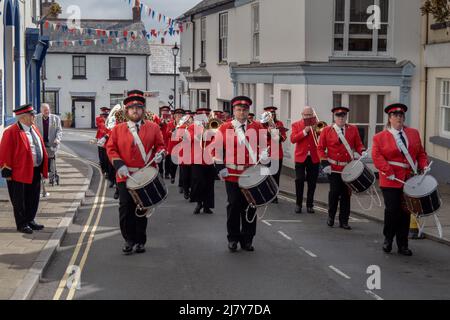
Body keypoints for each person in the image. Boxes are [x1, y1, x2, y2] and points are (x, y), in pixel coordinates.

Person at [106, 92, 166, 255]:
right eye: (131, 108)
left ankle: (140, 241)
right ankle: (128, 239)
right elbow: (110, 149)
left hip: (145, 175)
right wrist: (119, 164)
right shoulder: (118, 129)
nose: (135, 111)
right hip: (124, 175)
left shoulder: (153, 127)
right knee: (125, 208)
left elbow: (160, 145)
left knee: (142, 208)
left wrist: (161, 153)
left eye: (138, 108)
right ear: (127, 111)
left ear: (143, 110)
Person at [372, 103, 428, 256]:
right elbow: (376, 157)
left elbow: (421, 153)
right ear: (389, 119)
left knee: (406, 212)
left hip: (409, 179)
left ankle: (403, 244)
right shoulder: (379, 137)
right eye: (395, 116)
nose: (399, 118)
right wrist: (388, 170)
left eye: (401, 115)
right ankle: (388, 239)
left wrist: (424, 165)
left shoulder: (413, 133)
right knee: (392, 210)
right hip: (390, 179)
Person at [215, 96, 270, 252]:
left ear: (248, 111)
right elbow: (216, 150)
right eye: (239, 110)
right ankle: (232, 238)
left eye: (244, 110)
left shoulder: (258, 128)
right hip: (232, 173)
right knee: (233, 206)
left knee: (251, 206)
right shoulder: (224, 128)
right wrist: (220, 168)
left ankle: (247, 239)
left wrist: (265, 159)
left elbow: (265, 148)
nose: (241, 112)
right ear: (234, 111)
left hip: (251, 173)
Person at [0, 104, 48, 234]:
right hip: (18, 172)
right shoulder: (10, 132)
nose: (34, 117)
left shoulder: (34, 128)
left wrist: (44, 166)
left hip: (35, 170)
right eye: (32, 115)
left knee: (33, 197)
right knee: (19, 200)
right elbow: (5, 152)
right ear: (23, 117)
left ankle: (30, 220)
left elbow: (40, 147)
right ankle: (22, 224)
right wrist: (6, 171)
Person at [318, 106, 365, 230]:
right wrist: (324, 163)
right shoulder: (327, 130)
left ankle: (344, 220)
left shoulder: (353, 129)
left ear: (346, 117)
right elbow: (320, 148)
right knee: (334, 193)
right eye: (338, 116)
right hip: (333, 168)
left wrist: (362, 151)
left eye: (343, 116)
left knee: (346, 195)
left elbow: (358, 144)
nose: (341, 118)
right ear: (334, 117)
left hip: (348, 168)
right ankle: (331, 216)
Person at [290, 106, 320, 214]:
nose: (308, 116)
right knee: (300, 180)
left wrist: (318, 128)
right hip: (300, 157)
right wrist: (304, 131)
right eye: (306, 115)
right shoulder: (296, 125)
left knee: (312, 182)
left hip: (314, 157)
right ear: (302, 115)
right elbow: (293, 139)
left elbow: (323, 137)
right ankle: (298, 204)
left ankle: (309, 205)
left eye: (310, 114)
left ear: (313, 115)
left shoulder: (317, 125)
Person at [188, 108, 216, 214]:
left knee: (209, 183)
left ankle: (207, 206)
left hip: (209, 159)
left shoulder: (213, 126)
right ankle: (199, 203)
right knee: (199, 182)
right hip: (197, 159)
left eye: (207, 115)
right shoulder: (192, 127)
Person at [261, 106, 287, 204]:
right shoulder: (262, 124)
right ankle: (264, 195)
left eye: (273, 114)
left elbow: (283, 138)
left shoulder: (279, 124)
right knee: (264, 176)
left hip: (277, 154)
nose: (272, 116)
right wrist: (267, 132)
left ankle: (274, 196)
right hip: (265, 154)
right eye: (269, 114)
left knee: (276, 176)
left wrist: (276, 132)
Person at [35, 103, 63, 186]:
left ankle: (52, 177)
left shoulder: (56, 118)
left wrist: (57, 139)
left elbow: (59, 130)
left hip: (52, 144)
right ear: (41, 111)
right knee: (41, 161)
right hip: (41, 144)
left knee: (51, 161)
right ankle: (42, 177)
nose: (47, 111)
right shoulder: (36, 118)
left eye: (47, 110)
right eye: (44, 110)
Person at [95, 107, 111, 178]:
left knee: (107, 157)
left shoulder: (111, 119)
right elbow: (100, 125)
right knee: (101, 156)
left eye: (106, 114)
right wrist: (105, 120)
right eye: (104, 113)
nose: (105, 114)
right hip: (101, 139)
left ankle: (108, 171)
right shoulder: (99, 119)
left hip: (108, 139)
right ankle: (103, 170)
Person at [159, 106, 172, 179]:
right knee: (160, 158)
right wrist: (162, 122)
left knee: (168, 159)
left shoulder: (171, 120)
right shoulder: (158, 119)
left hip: (168, 141)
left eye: (167, 111)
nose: (165, 112)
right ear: (161, 112)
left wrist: (168, 122)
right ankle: (161, 172)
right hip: (161, 141)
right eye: (163, 111)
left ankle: (167, 173)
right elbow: (157, 127)